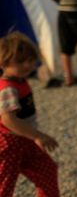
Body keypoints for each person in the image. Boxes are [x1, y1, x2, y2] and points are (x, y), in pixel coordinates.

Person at [0, 32, 59, 196]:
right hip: (10, 143)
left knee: (47, 170)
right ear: (4, 63)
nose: (28, 65)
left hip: (25, 140)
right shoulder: (8, 88)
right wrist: (37, 135)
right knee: (4, 185)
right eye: (20, 61)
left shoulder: (20, 80)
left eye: (31, 60)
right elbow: (8, 119)